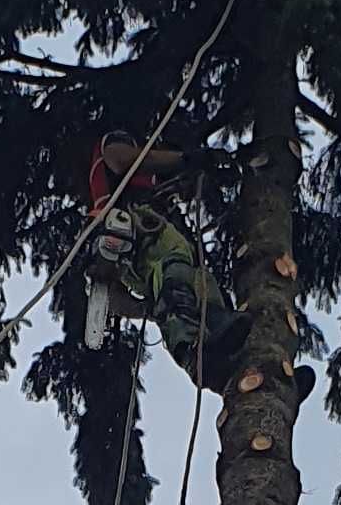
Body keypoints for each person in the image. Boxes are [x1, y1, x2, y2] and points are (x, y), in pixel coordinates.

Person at [81, 133, 231, 386]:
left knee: (199, 283)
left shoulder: (151, 188)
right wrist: (187, 159)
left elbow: (120, 303)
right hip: (137, 224)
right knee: (175, 271)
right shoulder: (114, 144)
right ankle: (192, 352)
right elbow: (123, 160)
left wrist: (151, 309)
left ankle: (238, 363)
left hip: (138, 239)